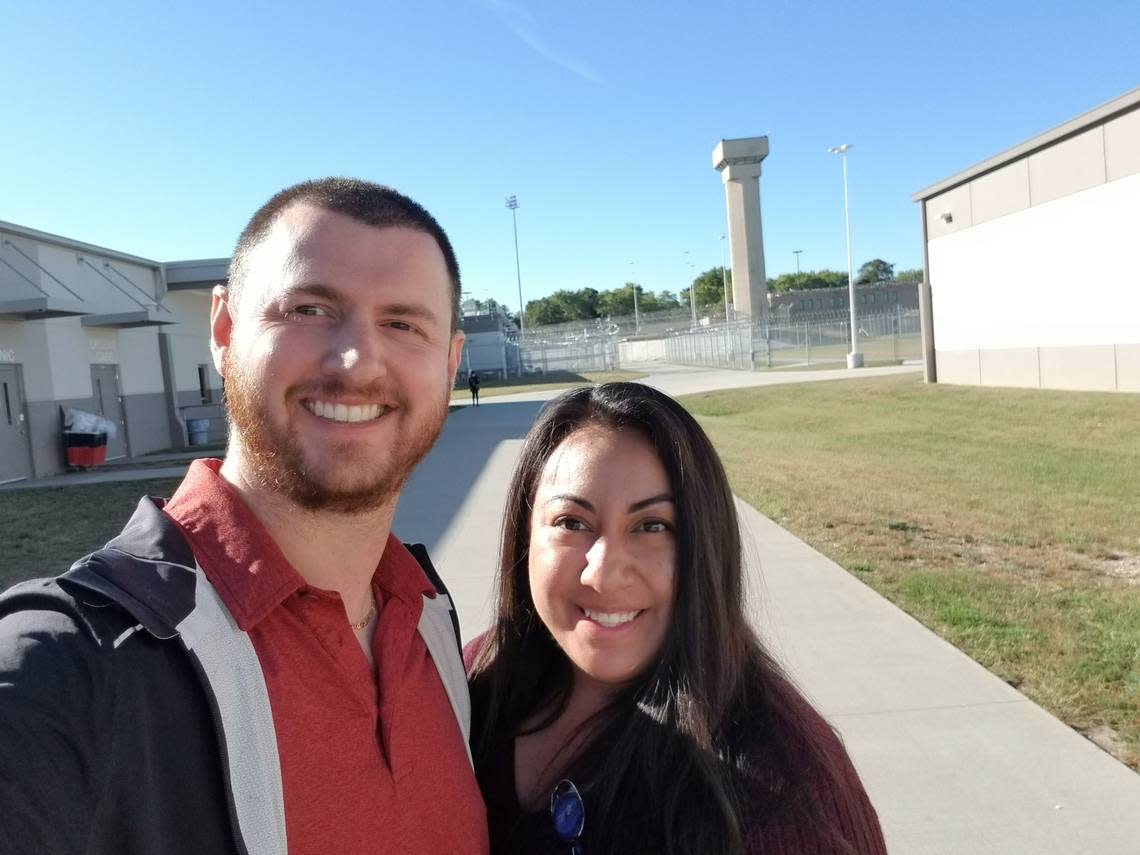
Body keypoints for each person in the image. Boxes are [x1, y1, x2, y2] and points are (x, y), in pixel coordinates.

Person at [0, 178, 489, 855]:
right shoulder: (68, 667)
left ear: (450, 361)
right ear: (225, 329)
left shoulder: (430, 616)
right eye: (312, 308)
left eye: (403, 323)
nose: (356, 361)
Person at [466, 382, 886, 855]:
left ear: (704, 548)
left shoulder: (782, 796)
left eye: (651, 527)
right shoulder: (468, 679)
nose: (603, 574)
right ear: (524, 538)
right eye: (571, 523)